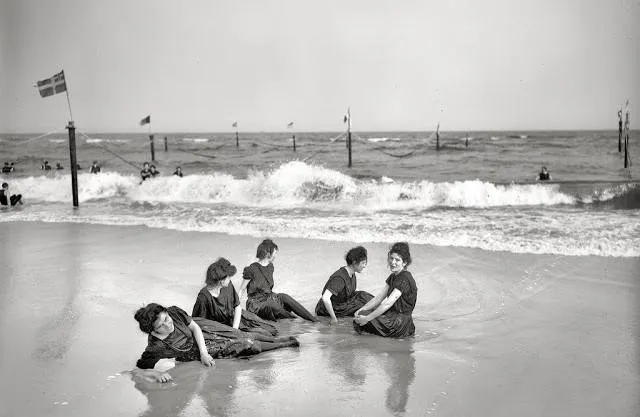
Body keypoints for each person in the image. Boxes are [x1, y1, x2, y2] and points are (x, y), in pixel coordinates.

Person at [133, 303, 299, 383]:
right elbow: (137, 371)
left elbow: (194, 327)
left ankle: (276, 340)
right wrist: (156, 374)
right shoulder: (156, 347)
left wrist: (204, 353)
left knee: (238, 333)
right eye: (161, 325)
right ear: (152, 331)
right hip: (194, 351)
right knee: (246, 345)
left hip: (202, 332)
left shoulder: (174, 312)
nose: (168, 324)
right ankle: (283, 344)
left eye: (166, 319)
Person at [192, 258, 278, 336]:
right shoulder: (203, 297)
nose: (230, 279)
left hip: (236, 320)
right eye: (229, 277)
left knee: (270, 331)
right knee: (259, 337)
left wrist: (235, 329)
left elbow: (237, 306)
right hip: (222, 330)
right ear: (221, 281)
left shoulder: (228, 285)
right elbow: (199, 324)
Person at [239, 239, 319, 322]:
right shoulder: (251, 269)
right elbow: (241, 290)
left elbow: (267, 288)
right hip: (255, 304)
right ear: (268, 253)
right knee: (274, 306)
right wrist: (236, 308)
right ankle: (297, 320)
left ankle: (313, 319)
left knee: (284, 297)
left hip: (269, 298)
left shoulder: (270, 267)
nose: (275, 255)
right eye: (275, 253)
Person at [353, 242, 417, 338]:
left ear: (404, 263)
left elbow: (388, 303)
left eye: (397, 260)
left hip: (399, 324)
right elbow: (378, 298)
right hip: (391, 316)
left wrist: (367, 318)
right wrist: (362, 309)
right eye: (391, 258)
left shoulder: (405, 278)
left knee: (362, 320)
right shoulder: (393, 276)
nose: (393, 262)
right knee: (360, 314)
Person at [315, 246, 374, 324]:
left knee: (363, 296)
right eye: (363, 263)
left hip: (342, 302)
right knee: (362, 303)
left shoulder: (351, 273)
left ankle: (384, 308)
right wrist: (334, 318)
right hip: (329, 309)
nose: (364, 266)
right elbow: (325, 298)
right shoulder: (339, 278)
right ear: (354, 262)